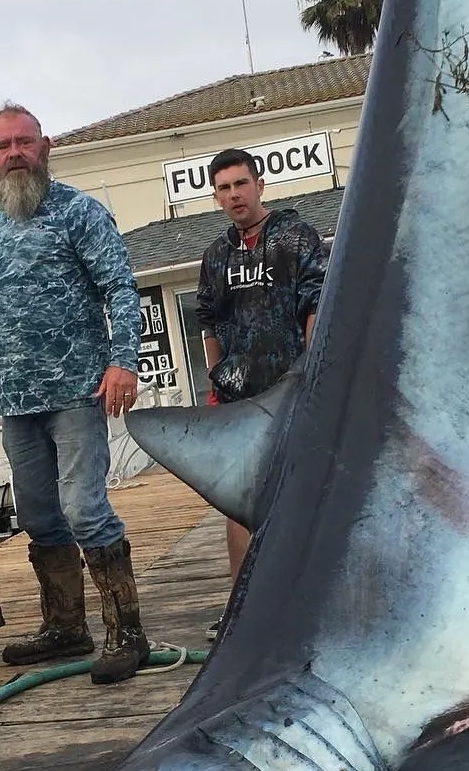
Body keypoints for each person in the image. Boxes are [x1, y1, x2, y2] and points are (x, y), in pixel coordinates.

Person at [0, 102, 152, 685]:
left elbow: (119, 286)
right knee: (38, 515)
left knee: (85, 508)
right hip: (17, 400)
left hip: (77, 392)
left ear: (46, 146)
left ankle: (128, 631)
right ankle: (66, 626)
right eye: (1, 146)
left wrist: (123, 362)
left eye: (22, 142)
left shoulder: (81, 214)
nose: (13, 154)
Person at [195, 147, 328, 638]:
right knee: (241, 499)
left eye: (241, 184)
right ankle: (241, 609)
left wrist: (314, 370)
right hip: (239, 399)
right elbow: (207, 318)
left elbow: (316, 300)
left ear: (260, 185)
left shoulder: (296, 235)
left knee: (301, 493)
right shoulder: (215, 256)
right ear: (216, 196)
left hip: (292, 389)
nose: (234, 195)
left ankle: (305, 600)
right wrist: (215, 377)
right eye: (224, 187)